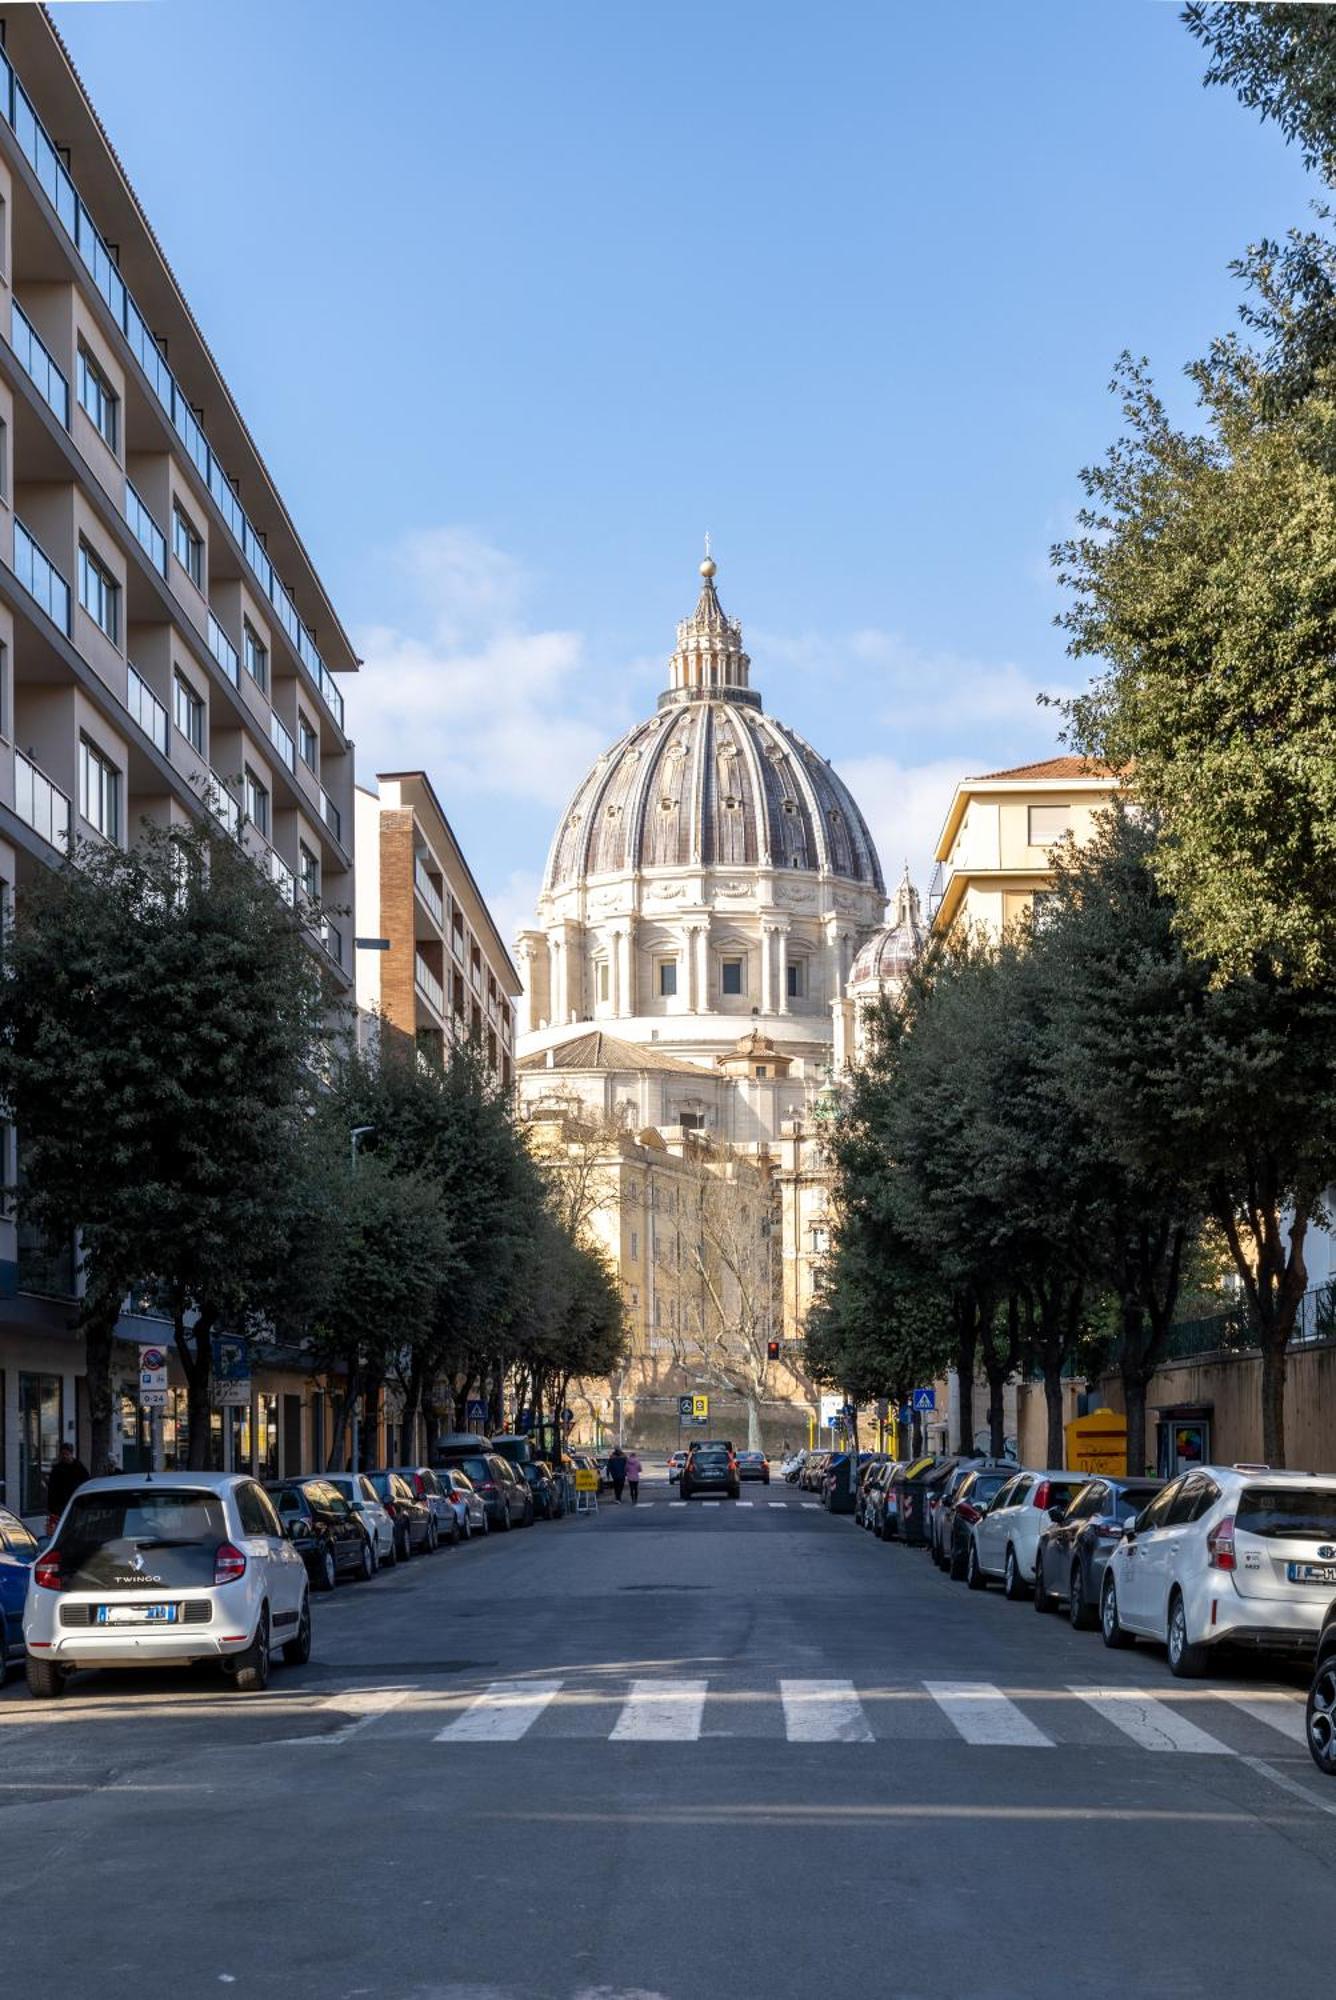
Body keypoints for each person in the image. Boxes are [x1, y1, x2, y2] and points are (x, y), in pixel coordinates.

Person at [46, 1441, 89, 1532]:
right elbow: (52, 1489)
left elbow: (86, 1482)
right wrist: (52, 1507)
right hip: (60, 1505)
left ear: (71, 1454)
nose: (64, 1456)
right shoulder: (57, 1469)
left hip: (76, 1503)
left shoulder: (79, 1467)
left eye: (67, 1454)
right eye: (62, 1454)